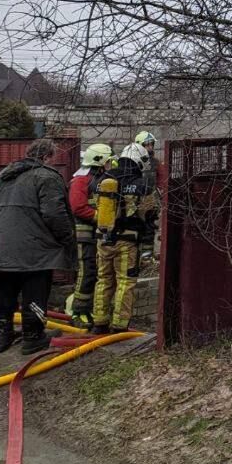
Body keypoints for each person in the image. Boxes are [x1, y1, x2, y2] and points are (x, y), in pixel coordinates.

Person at [0, 138, 74, 355]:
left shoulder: (3, 176)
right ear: (47, 157)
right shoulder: (46, 177)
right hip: (37, 250)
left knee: (4, 290)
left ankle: (2, 335)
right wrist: (66, 239)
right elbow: (54, 214)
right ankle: (33, 337)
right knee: (36, 292)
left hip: (5, 247)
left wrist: (5, 235)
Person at [91, 141, 155, 334]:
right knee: (125, 282)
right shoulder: (141, 185)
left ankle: (99, 323)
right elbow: (149, 214)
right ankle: (119, 326)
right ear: (140, 161)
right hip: (127, 242)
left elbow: (97, 206)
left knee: (103, 279)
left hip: (103, 240)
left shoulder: (104, 179)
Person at [67, 142, 113, 330]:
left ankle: (91, 309)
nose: (111, 164)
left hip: (98, 235)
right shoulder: (81, 180)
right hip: (84, 235)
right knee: (87, 272)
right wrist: (99, 217)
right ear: (99, 160)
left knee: (98, 273)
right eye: (108, 160)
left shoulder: (101, 178)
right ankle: (78, 312)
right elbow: (78, 207)